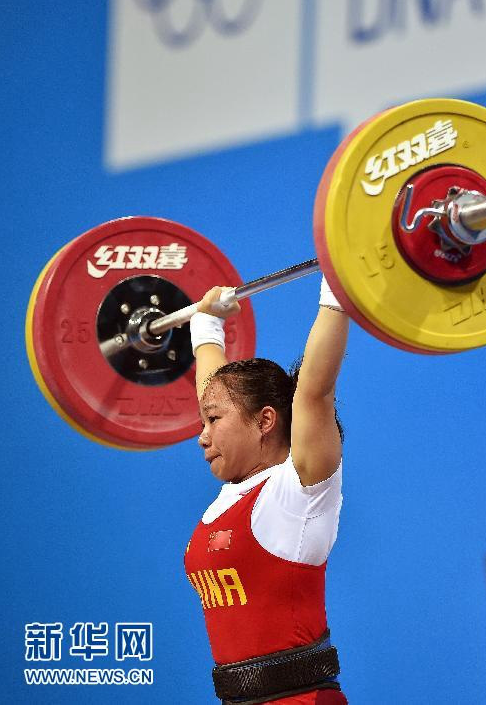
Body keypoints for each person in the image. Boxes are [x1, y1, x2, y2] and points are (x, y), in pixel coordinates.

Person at [184, 276, 350, 705]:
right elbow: (215, 392)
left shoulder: (297, 491)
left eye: (213, 422)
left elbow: (316, 391)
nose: (201, 436)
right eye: (203, 422)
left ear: (265, 421)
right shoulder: (233, 495)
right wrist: (206, 327)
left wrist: (339, 286)